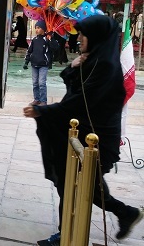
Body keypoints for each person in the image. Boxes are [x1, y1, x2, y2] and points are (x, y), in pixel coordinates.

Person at [24, 15, 143, 244]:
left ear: (95, 36)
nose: (79, 39)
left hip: (96, 140)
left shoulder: (106, 67)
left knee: (79, 187)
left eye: (82, 34)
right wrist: (73, 66)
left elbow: (80, 101)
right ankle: (125, 213)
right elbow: (73, 89)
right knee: (84, 187)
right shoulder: (94, 60)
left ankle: (68, 234)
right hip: (82, 135)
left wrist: (44, 112)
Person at [23, 20, 59, 106]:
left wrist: (52, 38)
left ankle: (43, 101)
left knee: (42, 83)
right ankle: (36, 99)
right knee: (35, 83)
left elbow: (55, 48)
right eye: (36, 28)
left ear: (43, 29)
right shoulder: (34, 40)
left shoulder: (47, 39)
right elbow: (29, 51)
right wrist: (26, 61)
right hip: (34, 64)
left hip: (43, 65)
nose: (37, 29)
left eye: (38, 28)